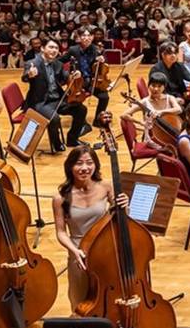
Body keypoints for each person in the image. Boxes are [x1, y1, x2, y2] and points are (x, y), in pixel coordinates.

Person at [53, 145, 128, 309]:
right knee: (80, 299)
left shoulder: (106, 186)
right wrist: (74, 251)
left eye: (89, 163)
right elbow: (60, 232)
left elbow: (121, 217)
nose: (84, 168)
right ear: (70, 166)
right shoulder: (60, 197)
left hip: (106, 248)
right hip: (79, 252)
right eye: (79, 163)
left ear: (95, 165)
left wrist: (125, 204)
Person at [24, 39, 88, 151]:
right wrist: (29, 75)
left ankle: (72, 139)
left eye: (56, 48)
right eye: (51, 47)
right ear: (43, 48)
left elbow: (65, 77)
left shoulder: (58, 64)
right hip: (40, 102)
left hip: (57, 99)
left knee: (81, 109)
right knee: (54, 119)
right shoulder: (32, 63)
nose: (54, 50)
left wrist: (75, 75)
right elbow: (24, 77)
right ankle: (56, 144)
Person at [119, 71, 181, 146]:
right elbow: (124, 115)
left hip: (168, 133)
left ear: (164, 87)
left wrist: (161, 112)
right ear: (148, 86)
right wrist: (141, 123)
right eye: (153, 85)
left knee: (183, 143)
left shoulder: (170, 98)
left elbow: (178, 110)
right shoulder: (144, 102)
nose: (156, 89)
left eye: (159, 86)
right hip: (153, 138)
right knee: (176, 147)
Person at [64, 28, 110, 127]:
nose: (86, 38)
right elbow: (61, 61)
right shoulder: (73, 50)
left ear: (92, 37)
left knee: (104, 97)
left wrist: (102, 59)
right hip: (78, 82)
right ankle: (80, 121)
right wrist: (68, 74)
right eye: (83, 36)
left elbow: (104, 59)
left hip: (92, 82)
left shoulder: (95, 49)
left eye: (89, 36)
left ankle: (97, 121)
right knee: (74, 101)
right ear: (79, 38)